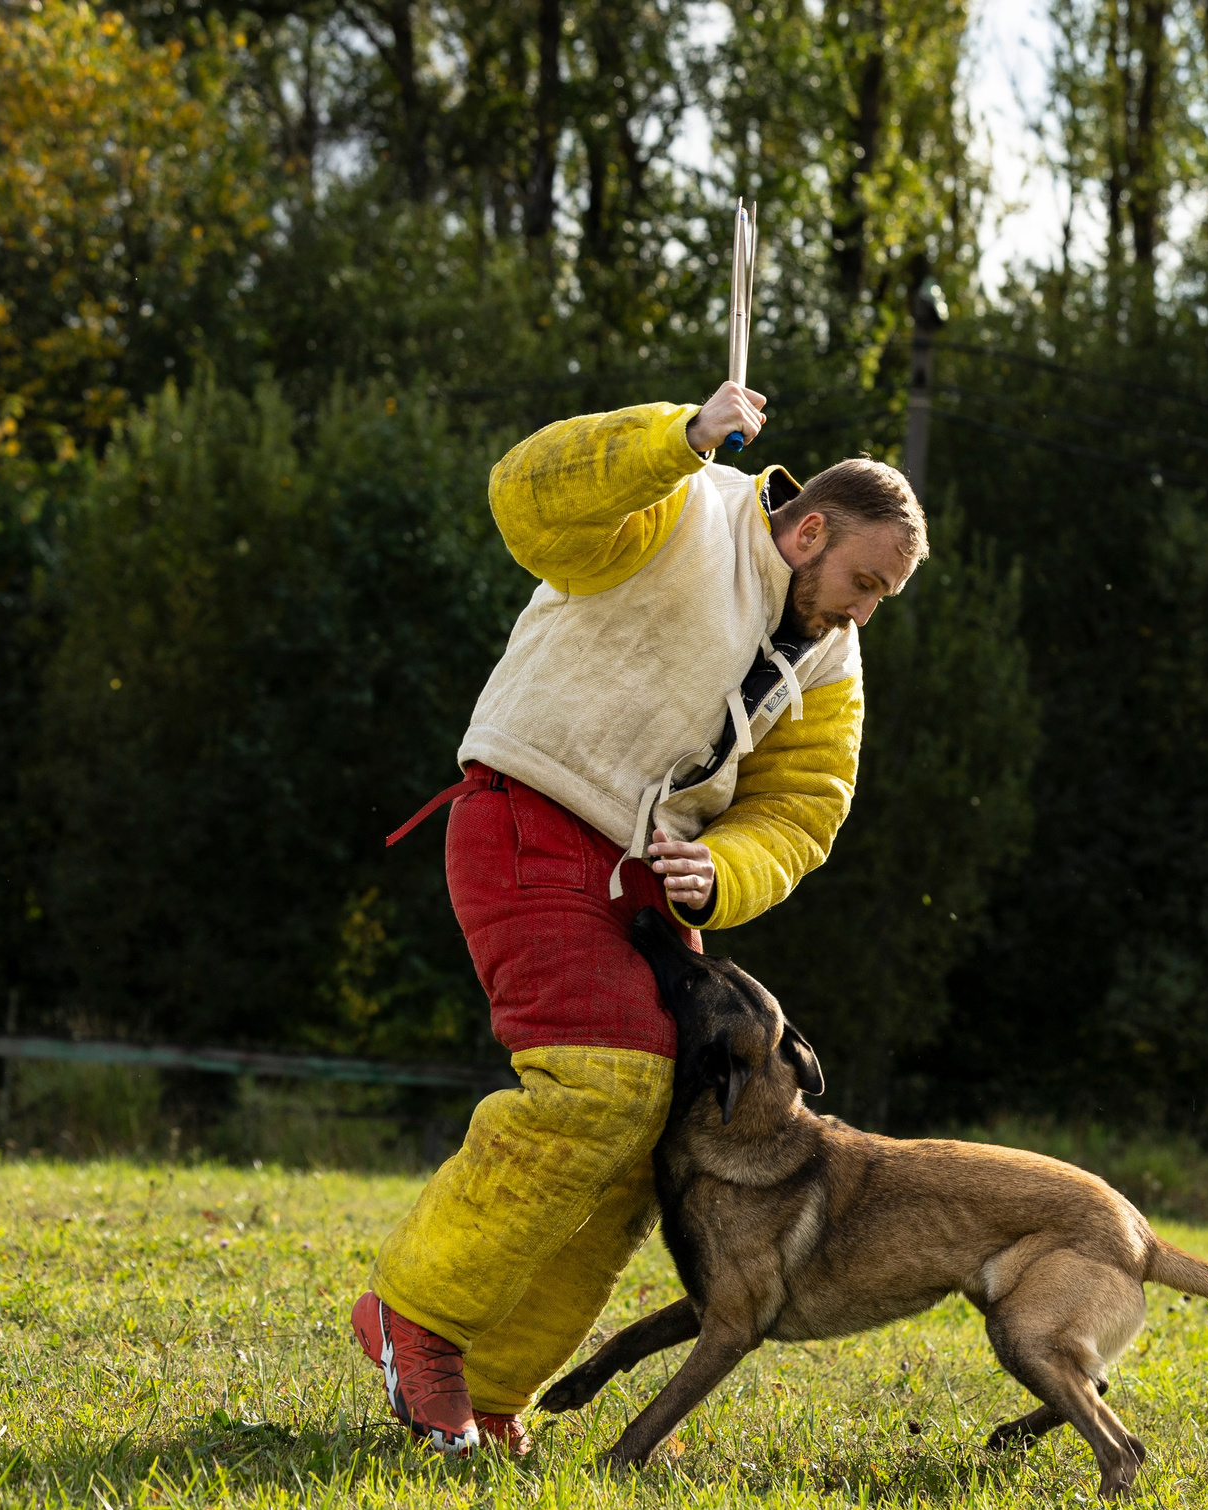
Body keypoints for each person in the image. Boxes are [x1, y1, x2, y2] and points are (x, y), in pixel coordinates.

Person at [352, 381, 929, 1454]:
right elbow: (527, 498)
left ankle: (489, 1388)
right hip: (529, 811)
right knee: (602, 1083)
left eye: (883, 597)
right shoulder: (684, 503)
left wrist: (720, 870)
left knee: (656, 1139)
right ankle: (415, 1317)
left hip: (647, 881)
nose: (864, 613)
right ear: (810, 532)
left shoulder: (834, 661)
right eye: (863, 583)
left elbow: (803, 810)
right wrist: (678, 436)